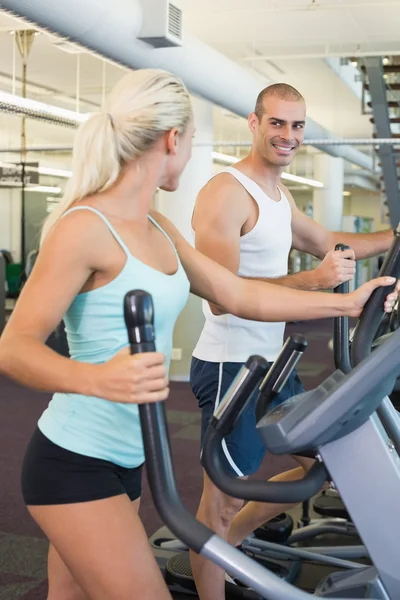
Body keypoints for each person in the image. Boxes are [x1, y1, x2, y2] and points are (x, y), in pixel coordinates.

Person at [0, 70, 396, 600]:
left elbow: (239, 295)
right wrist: (96, 378)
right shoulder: (84, 226)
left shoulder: (158, 228)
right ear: (173, 140)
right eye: (191, 142)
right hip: (74, 459)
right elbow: (15, 346)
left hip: (130, 458)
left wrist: (346, 301)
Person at [190, 82, 397, 600]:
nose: (288, 135)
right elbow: (220, 297)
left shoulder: (277, 196)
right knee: (218, 503)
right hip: (230, 366)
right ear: (254, 122)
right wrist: (314, 281)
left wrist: (397, 238)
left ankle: (229, 545)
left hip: (273, 364)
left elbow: (331, 243)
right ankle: (213, 564)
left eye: (297, 125)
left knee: (327, 469)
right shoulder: (226, 191)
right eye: (277, 123)